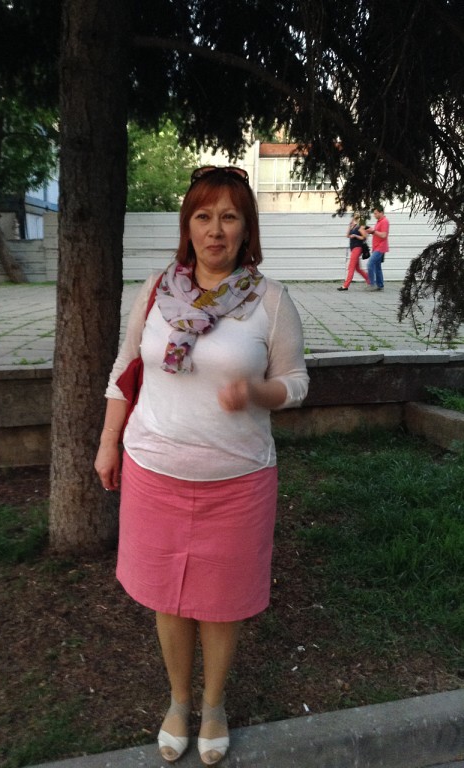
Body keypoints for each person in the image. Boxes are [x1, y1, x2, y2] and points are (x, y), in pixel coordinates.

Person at [94, 166, 309, 765]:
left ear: (246, 229)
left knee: (221, 602)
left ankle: (213, 705)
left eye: (229, 217)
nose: (216, 230)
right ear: (188, 226)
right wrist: (108, 441)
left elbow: (296, 382)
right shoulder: (154, 290)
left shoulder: (270, 300)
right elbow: (125, 369)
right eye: (204, 216)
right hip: (154, 470)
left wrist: (259, 392)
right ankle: (178, 700)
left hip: (237, 482)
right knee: (168, 598)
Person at [338, 212, 370, 291]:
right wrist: (350, 226)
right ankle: (370, 280)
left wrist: (355, 235)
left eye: (355, 217)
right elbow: (347, 235)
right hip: (353, 249)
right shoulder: (353, 226)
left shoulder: (360, 226)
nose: (353, 218)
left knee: (351, 267)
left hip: (357, 248)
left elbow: (364, 237)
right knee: (357, 268)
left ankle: (345, 285)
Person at [365, 205, 390, 290]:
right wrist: (371, 231)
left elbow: (384, 235)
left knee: (370, 264)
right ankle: (380, 285)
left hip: (380, 247)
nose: (374, 215)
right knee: (377, 267)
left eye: (376, 213)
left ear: (381, 212)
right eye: (374, 213)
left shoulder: (384, 221)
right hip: (376, 247)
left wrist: (373, 231)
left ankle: (372, 284)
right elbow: (377, 233)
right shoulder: (379, 222)